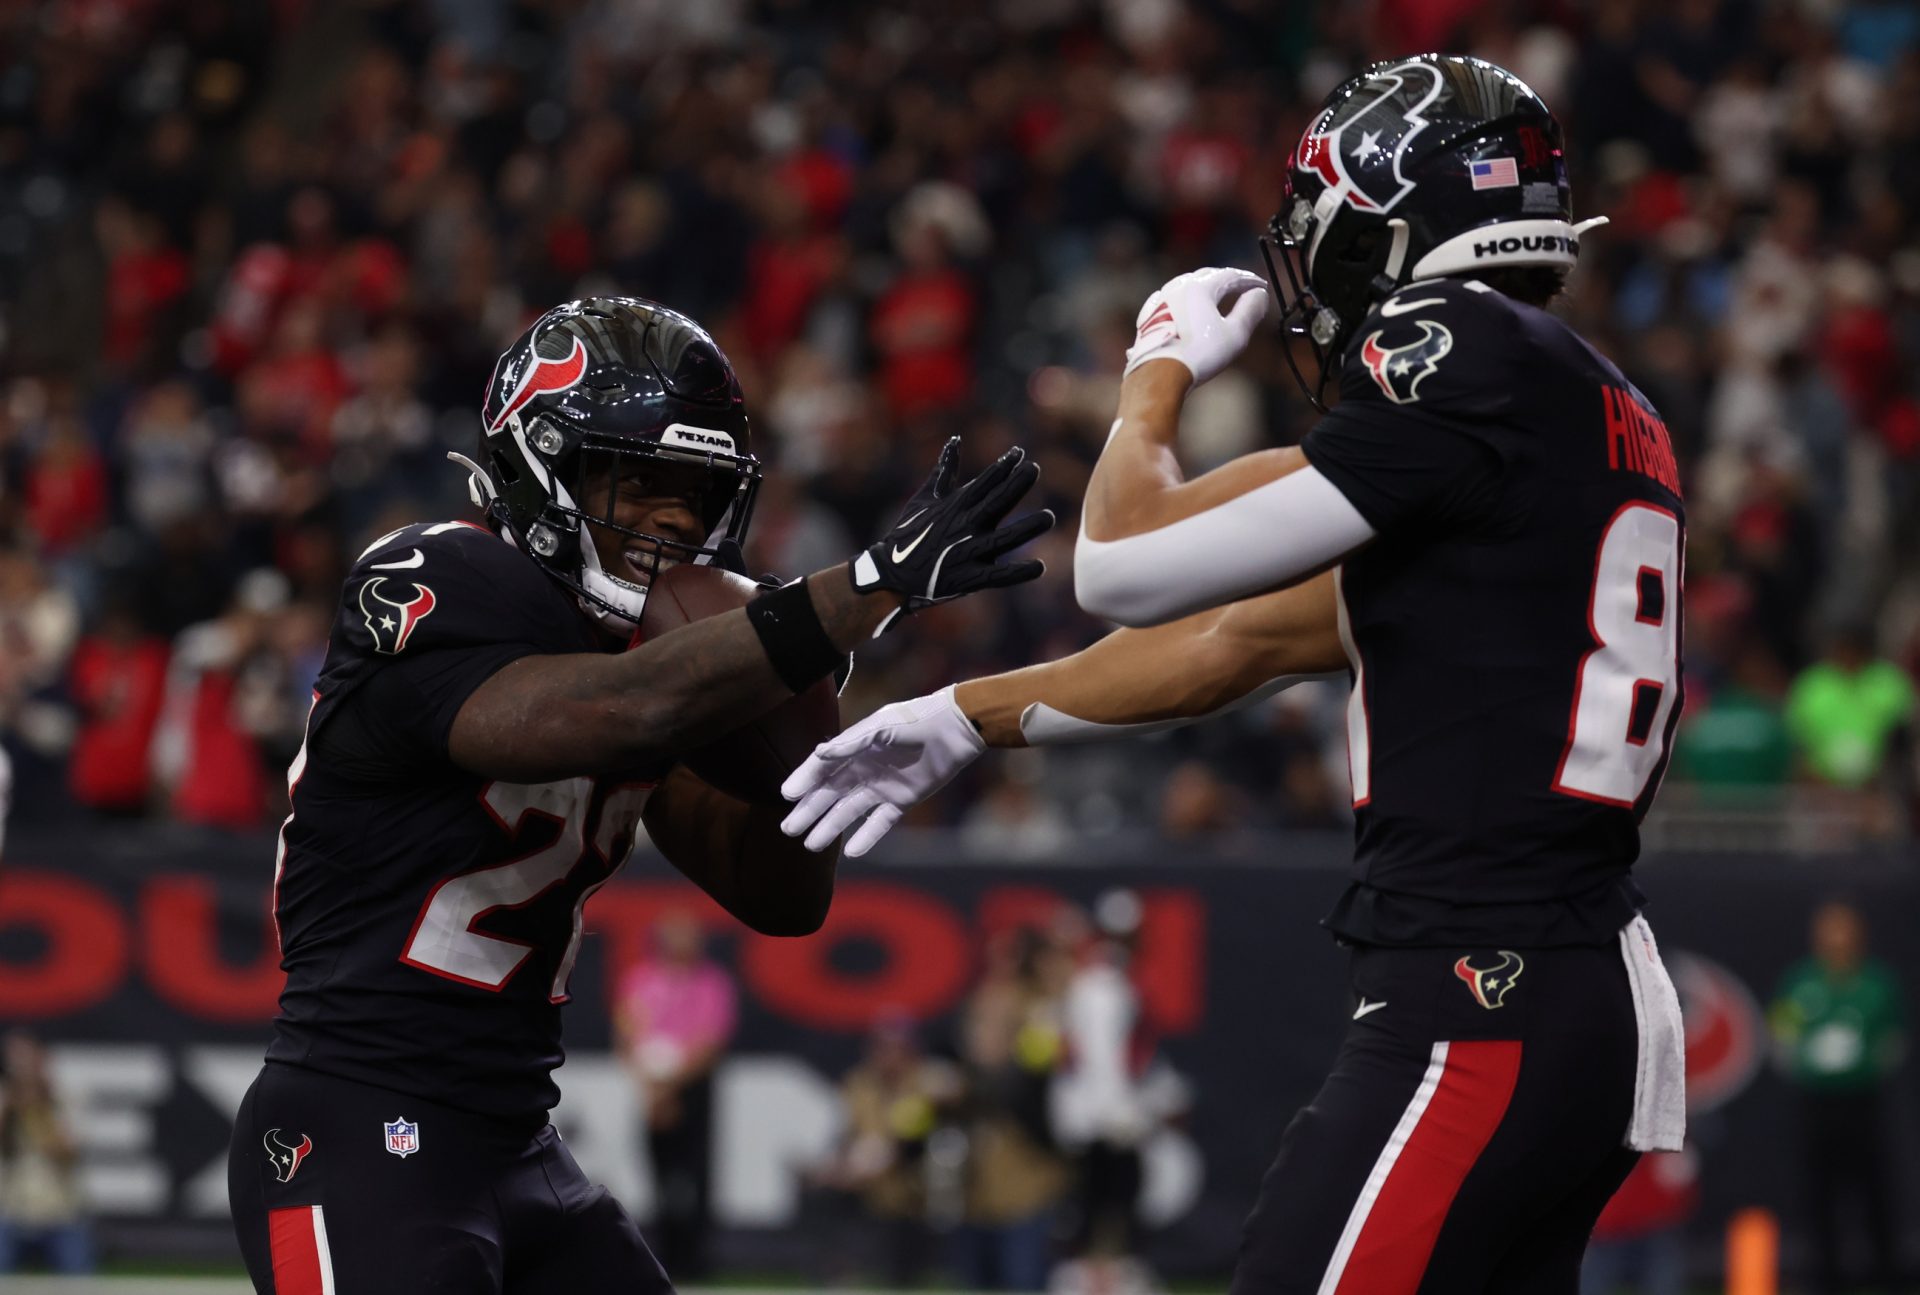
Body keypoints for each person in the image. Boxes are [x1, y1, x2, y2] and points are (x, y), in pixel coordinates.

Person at [783, 55, 1691, 1294]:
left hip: (1484, 989)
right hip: (1570, 988)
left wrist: (1151, 374)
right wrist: (959, 715)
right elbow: (1244, 640)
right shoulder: (1585, 406)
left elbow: (1118, 561)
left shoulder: (1461, 351)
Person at [224, 296, 1051, 1295]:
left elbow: (780, 895)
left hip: (518, 1140)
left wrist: (813, 767)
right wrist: (857, 590)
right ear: (543, 461)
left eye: (697, 492)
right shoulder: (436, 571)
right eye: (641, 478)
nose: (673, 520)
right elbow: (617, 712)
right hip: (354, 1121)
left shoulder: (644, 659)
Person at [1769, 900, 1907, 1295]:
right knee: (1819, 1192)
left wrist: (1860, 1065)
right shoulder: (1799, 982)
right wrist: (1811, 1061)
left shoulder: (1877, 983)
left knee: (1875, 1189)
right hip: (1816, 1104)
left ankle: (1884, 1271)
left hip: (1862, 1102)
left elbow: (1893, 1042)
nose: (1835, 937)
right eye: (1828, 928)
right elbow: (1780, 1034)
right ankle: (1826, 1275)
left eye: (1843, 928)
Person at [613, 911, 737, 1279]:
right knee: (658, 1174)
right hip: (652, 1087)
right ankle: (663, 1255)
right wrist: (652, 1086)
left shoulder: (712, 982)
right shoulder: (641, 979)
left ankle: (696, 1260)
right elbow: (627, 1034)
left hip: (693, 1089)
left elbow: (712, 1041)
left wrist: (672, 1085)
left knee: (696, 1174)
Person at [0, 1031, 94, 1274]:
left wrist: (37, 1113)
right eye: (13, 1058)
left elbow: (70, 1153)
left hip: (61, 1210)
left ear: (41, 1058)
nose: (19, 1066)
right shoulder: (5, 1098)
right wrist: (10, 1110)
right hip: (11, 1208)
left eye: (25, 1057)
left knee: (78, 1282)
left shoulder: (65, 1096)